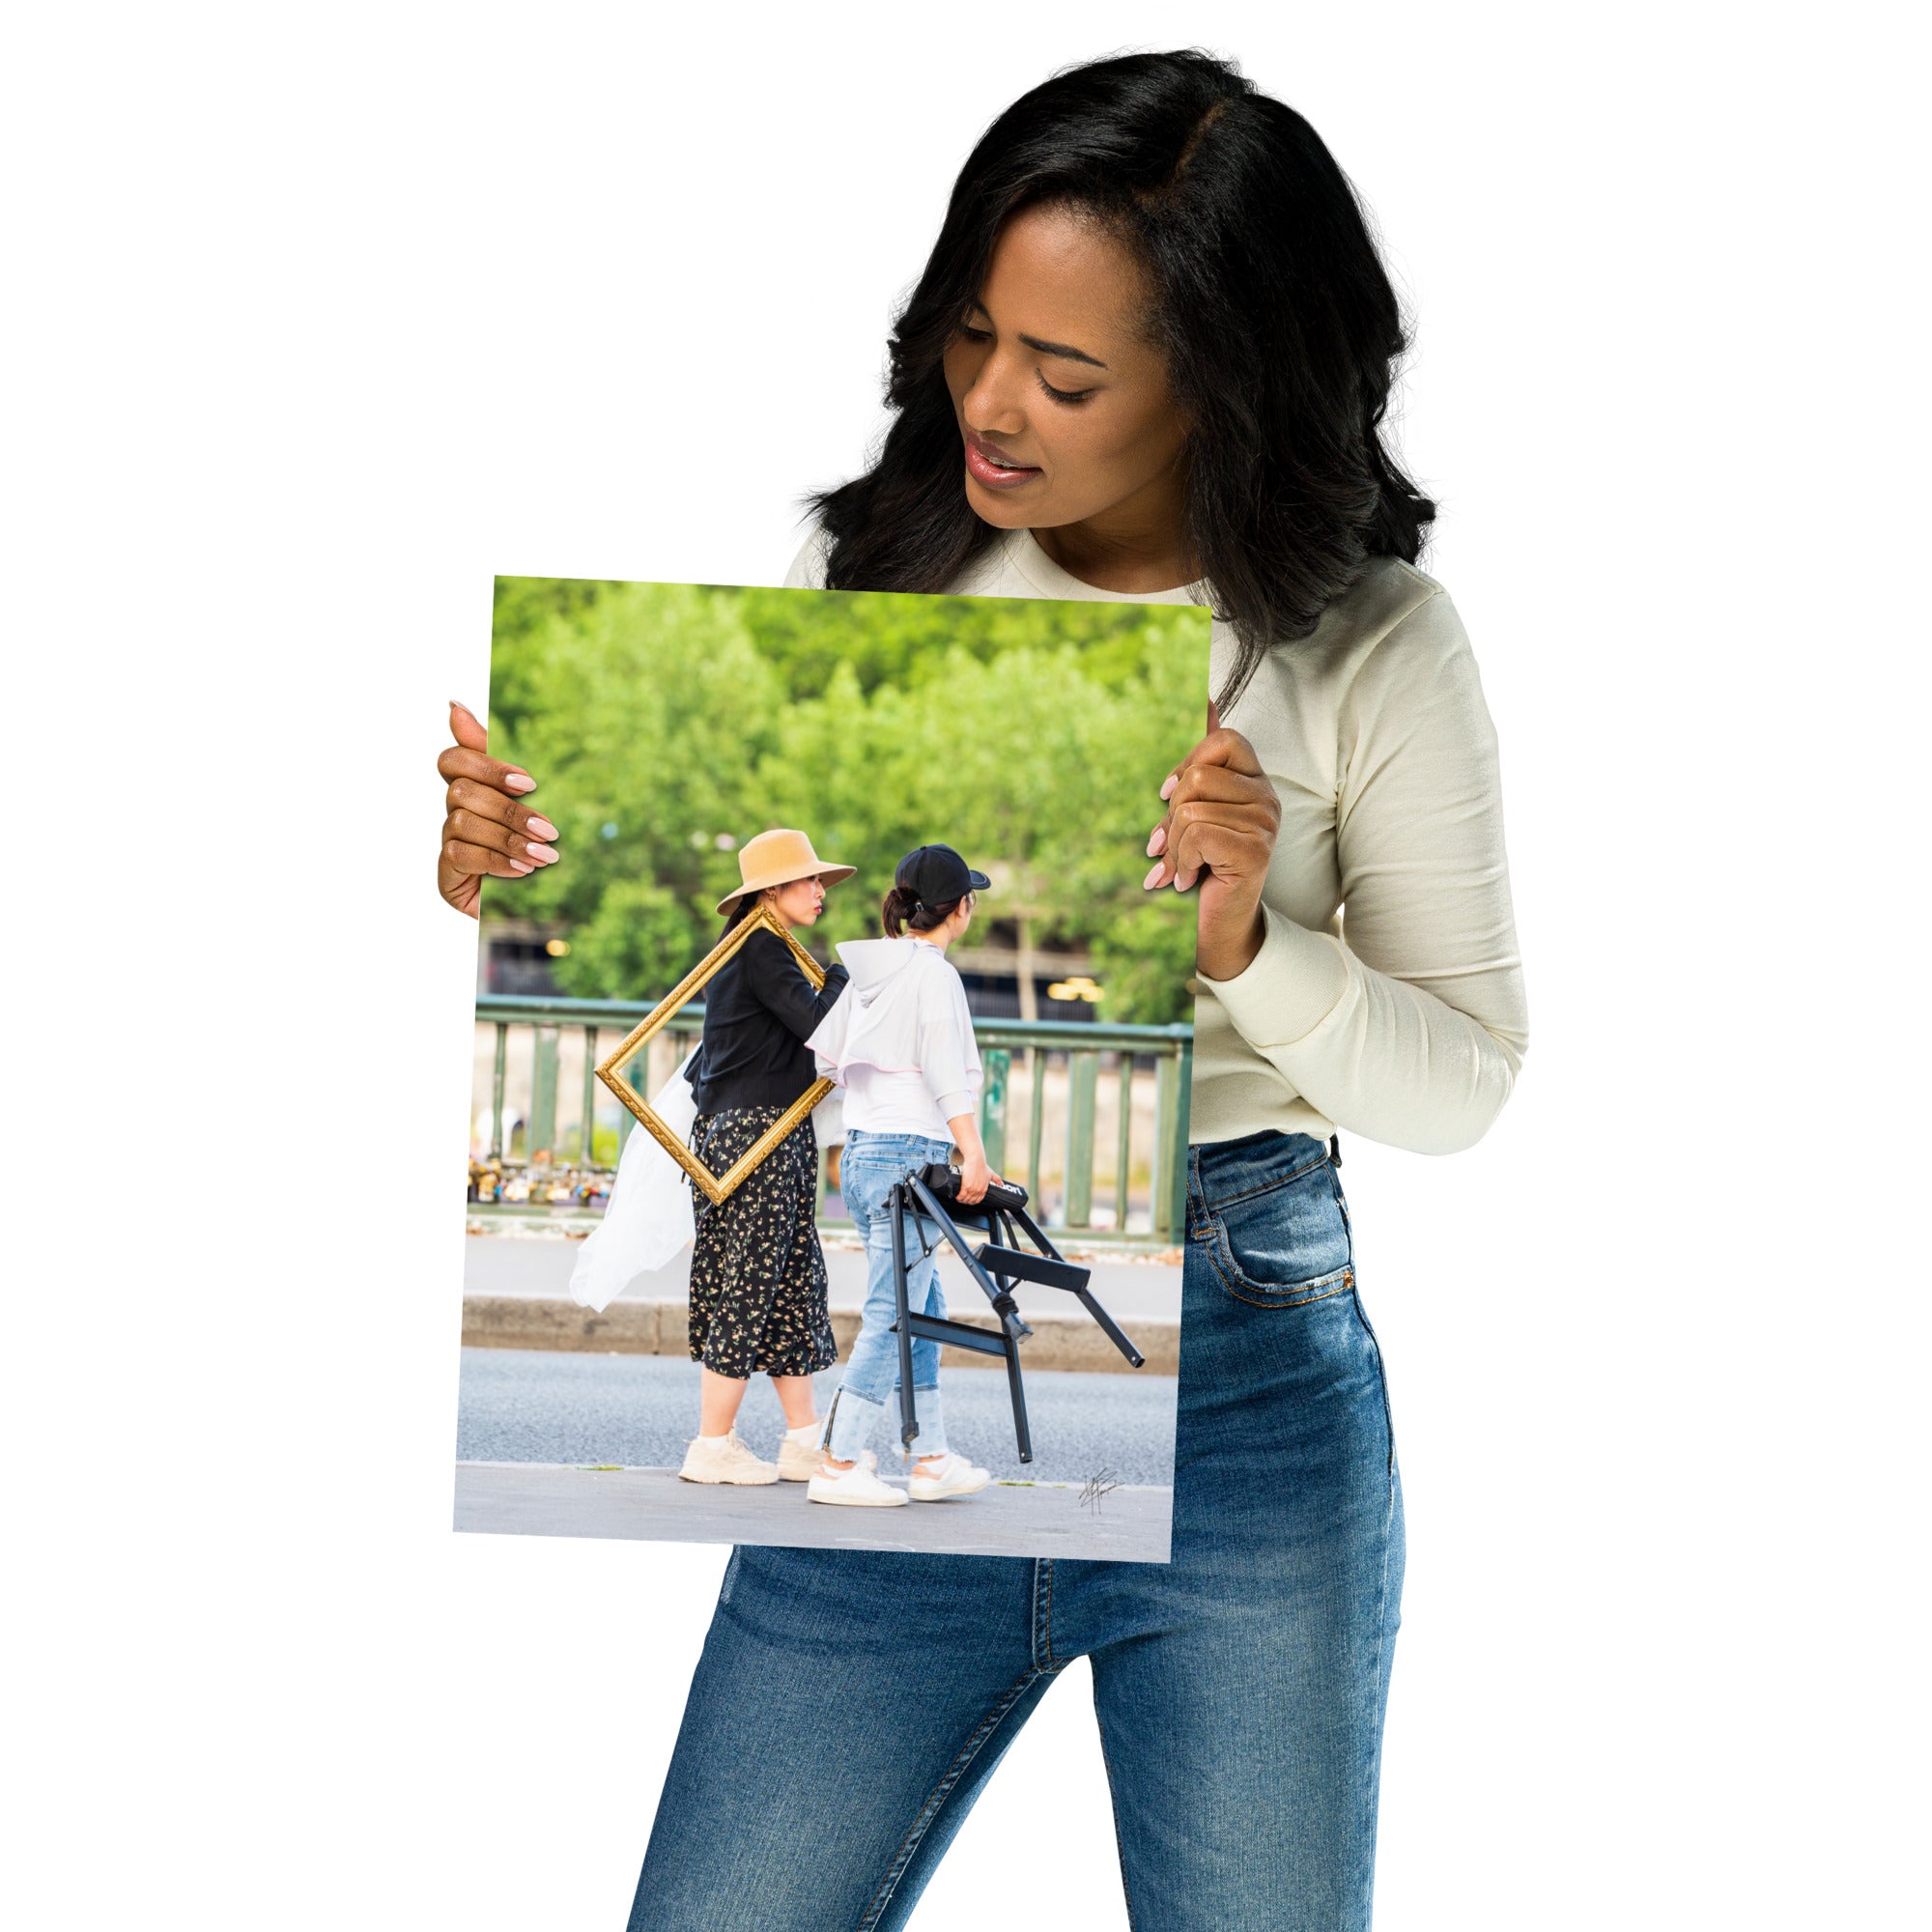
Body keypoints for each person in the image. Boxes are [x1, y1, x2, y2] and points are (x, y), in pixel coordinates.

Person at [435, 49, 1527, 1930]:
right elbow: (725, 970)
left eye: (1068, 371)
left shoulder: (1366, 643)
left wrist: (1245, 944)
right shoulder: (875, 571)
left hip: (1249, 1395)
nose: (990, 404)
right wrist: (504, 886)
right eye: (969, 336)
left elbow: (1462, 1087)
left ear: (1224, 384)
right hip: (884, 1356)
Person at [803, 844, 1000, 1508]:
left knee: (923, 1304)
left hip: (861, 1154)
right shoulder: (934, 977)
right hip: (908, 1157)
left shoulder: (874, 971)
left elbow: (831, 1065)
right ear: (960, 908)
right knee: (895, 1308)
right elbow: (945, 1072)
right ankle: (838, 1459)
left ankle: (932, 1456)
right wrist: (972, 1152)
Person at [674, 827, 855, 1487]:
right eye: (808, 881)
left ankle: (802, 1440)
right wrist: (843, 976)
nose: (819, 891)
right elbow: (820, 1028)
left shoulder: (758, 947)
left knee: (790, 1283)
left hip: (764, 1133)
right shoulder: (759, 945)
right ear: (771, 891)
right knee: (750, 1283)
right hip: (756, 1136)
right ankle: (712, 1445)